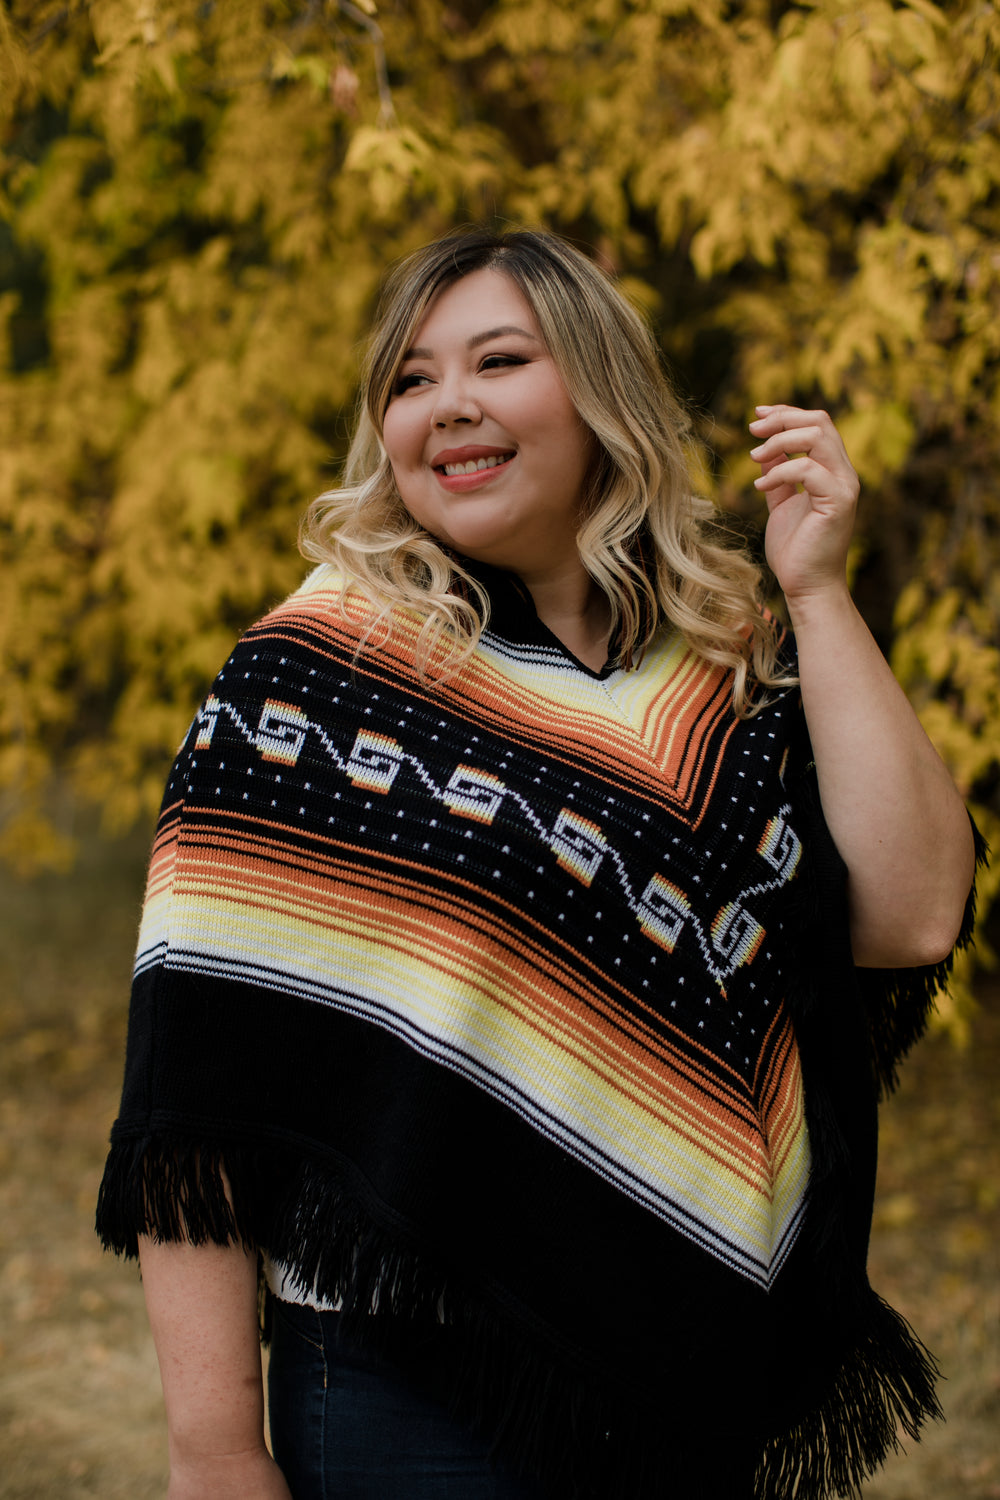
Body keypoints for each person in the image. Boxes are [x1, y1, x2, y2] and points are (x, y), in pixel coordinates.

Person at [97, 227, 980, 1500]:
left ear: (598, 392)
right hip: (409, 1393)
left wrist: (820, 594)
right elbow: (201, 1083)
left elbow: (912, 913)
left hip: (677, 1371)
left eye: (497, 361)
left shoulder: (717, 668)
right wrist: (216, 1451)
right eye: (408, 379)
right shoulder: (318, 681)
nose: (447, 404)